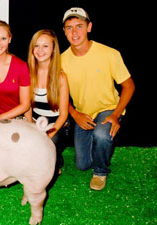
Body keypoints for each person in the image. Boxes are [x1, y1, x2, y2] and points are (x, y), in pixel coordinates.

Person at [61, 7, 135, 190]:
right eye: (69, 27)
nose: (74, 32)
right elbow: (59, 94)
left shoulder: (109, 54)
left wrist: (116, 114)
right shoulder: (61, 60)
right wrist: (74, 113)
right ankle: (100, 147)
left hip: (108, 108)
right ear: (64, 31)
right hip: (83, 114)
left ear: (89, 27)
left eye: (79, 26)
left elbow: (129, 86)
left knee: (102, 135)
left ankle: (101, 171)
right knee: (82, 164)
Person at [25, 29, 69, 174]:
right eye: (36, 46)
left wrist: (48, 136)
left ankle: (56, 158)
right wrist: (31, 126)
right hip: (37, 124)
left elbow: (63, 115)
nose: (40, 50)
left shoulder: (60, 77)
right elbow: (27, 107)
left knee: (45, 151)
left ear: (53, 49)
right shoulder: (29, 74)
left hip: (57, 126)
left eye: (45, 46)